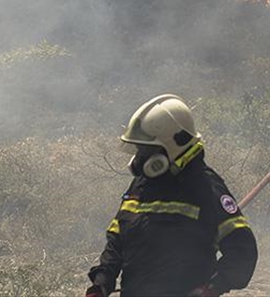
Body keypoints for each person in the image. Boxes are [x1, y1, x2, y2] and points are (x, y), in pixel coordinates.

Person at [86, 94, 258, 297]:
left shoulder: (207, 188)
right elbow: (117, 239)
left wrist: (212, 288)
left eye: (146, 150)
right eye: (140, 150)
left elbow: (242, 251)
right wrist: (101, 282)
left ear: (173, 145)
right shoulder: (142, 185)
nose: (140, 159)